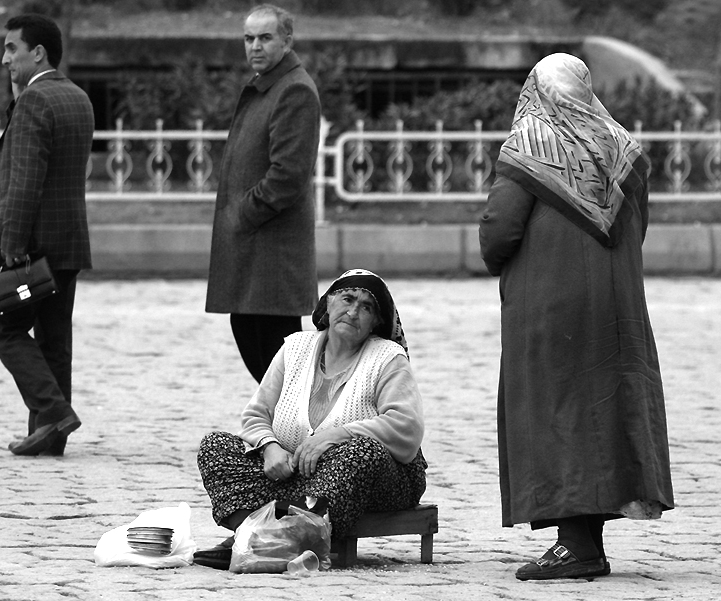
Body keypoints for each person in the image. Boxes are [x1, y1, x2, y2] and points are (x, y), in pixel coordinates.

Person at [478, 53, 674, 581]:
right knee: (601, 412)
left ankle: (576, 545)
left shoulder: (529, 148)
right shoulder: (624, 150)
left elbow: (499, 231)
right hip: (616, 306)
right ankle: (585, 542)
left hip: (549, 305)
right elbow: (639, 228)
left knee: (557, 407)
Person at [194, 269, 427, 569]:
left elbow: (406, 427)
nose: (353, 311)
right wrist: (269, 447)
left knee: (361, 454)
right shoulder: (294, 348)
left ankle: (264, 542)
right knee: (216, 447)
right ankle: (261, 536)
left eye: (366, 307)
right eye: (347, 299)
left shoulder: (387, 358)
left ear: (376, 323)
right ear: (327, 305)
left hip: (373, 481)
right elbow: (256, 415)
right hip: (294, 477)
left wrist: (332, 437)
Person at [0, 13, 94, 457]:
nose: (4, 59)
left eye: (12, 49)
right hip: (69, 243)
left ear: (38, 53)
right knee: (54, 339)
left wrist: (10, 248)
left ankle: (53, 413)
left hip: (33, 249)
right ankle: (50, 436)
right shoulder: (78, 97)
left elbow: (23, 182)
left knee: (5, 329)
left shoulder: (35, 101)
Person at [205, 3, 321, 383]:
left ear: (287, 40)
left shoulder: (295, 90)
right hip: (254, 251)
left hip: (273, 253)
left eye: (265, 37)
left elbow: (288, 175)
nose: (254, 46)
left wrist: (242, 214)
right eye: (248, 38)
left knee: (280, 361)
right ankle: (283, 435)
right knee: (255, 346)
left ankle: (303, 436)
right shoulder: (266, 87)